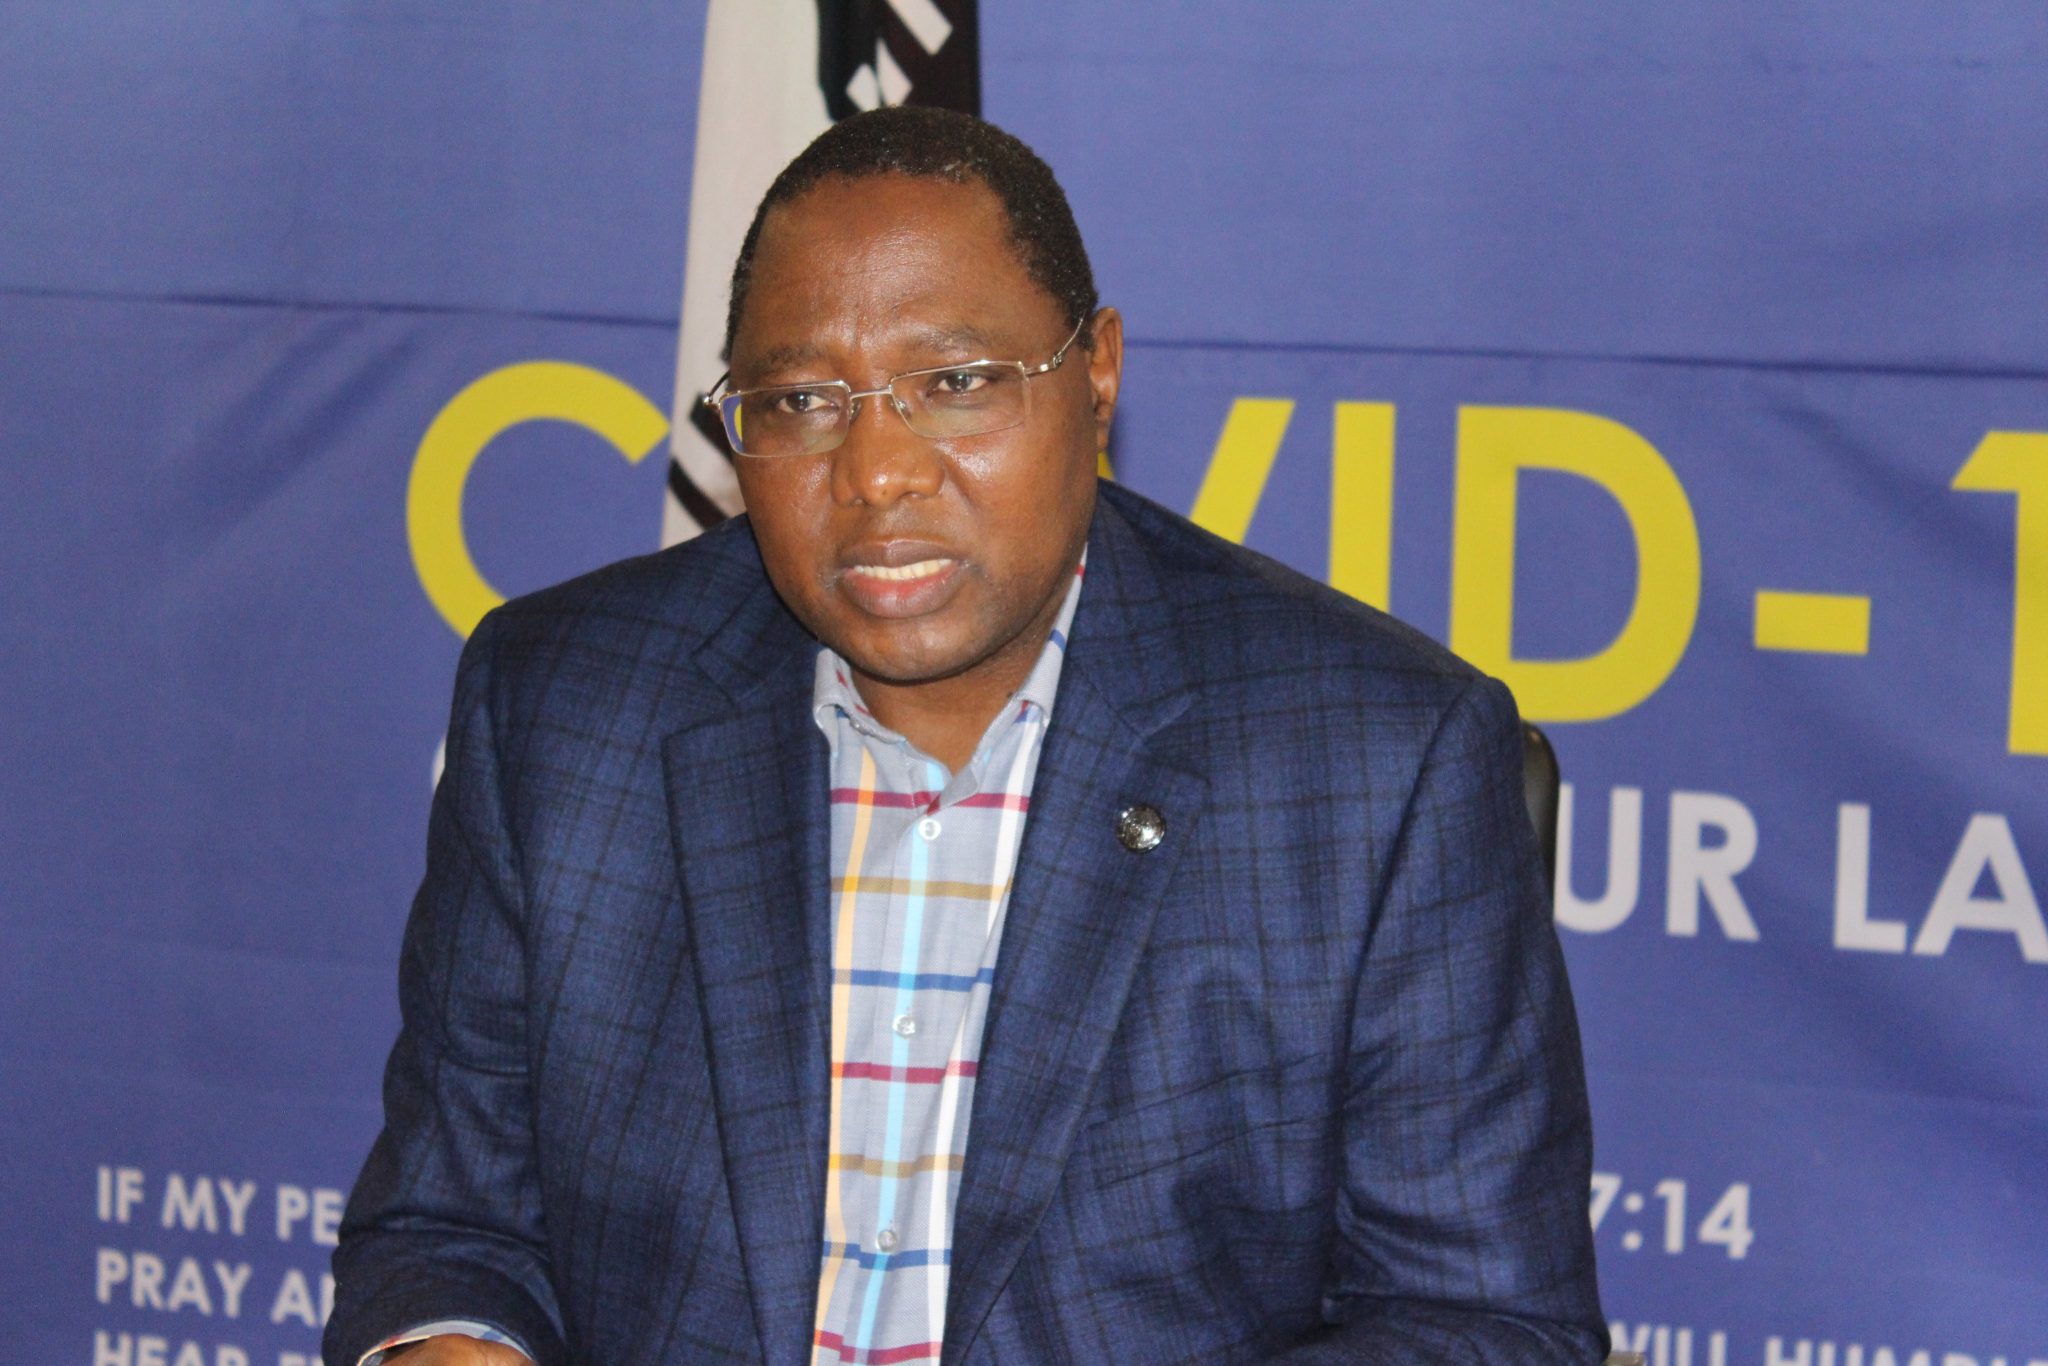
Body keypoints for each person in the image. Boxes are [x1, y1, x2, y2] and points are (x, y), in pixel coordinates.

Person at [328, 107, 1607, 1365]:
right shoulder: (563, 707)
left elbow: (1485, 1320)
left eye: (952, 384)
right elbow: (449, 1223)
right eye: (800, 400)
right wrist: (451, 1340)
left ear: (1095, 372)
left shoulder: (1374, 763)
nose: (875, 471)